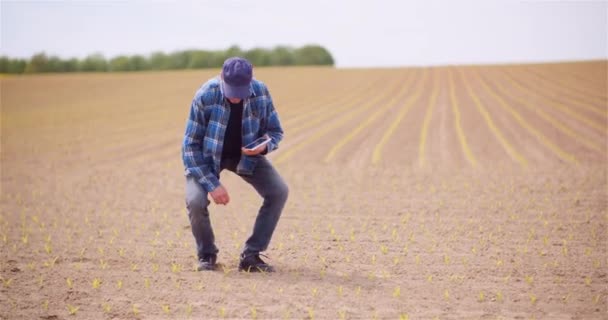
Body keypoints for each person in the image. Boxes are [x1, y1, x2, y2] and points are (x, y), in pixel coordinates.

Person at [182, 57, 288, 272]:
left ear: (252, 79)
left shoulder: (261, 92)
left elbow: (275, 131)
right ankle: (207, 256)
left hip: (246, 157)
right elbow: (190, 148)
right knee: (195, 201)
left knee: (278, 191)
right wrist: (213, 185)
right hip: (207, 159)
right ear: (222, 77)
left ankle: (251, 256)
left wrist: (264, 147)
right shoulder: (205, 95)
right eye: (232, 91)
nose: (237, 98)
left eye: (242, 91)